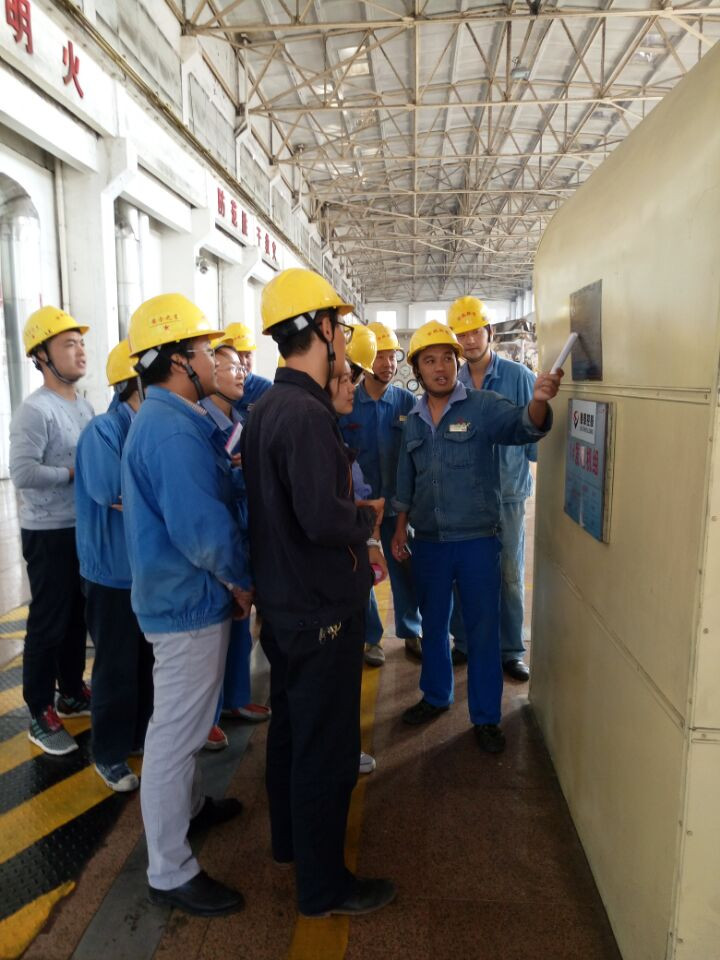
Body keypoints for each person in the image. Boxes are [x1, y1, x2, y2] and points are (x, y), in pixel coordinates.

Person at [242, 268, 396, 918]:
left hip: (285, 608)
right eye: (340, 327)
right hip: (319, 612)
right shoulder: (305, 415)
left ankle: (290, 846)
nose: (346, 342)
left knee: (291, 733)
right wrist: (366, 518)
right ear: (323, 329)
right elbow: (321, 520)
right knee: (326, 749)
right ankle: (324, 885)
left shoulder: (267, 410)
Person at [122, 293, 252, 917]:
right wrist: (242, 581)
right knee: (175, 736)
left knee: (185, 724)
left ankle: (192, 810)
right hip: (185, 603)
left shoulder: (173, 416)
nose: (212, 359)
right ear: (178, 360)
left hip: (181, 597)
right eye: (204, 349)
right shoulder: (171, 429)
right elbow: (202, 530)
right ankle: (169, 871)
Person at [391, 321, 561, 753]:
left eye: (447, 359)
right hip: (429, 542)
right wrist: (399, 527)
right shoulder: (413, 419)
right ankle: (436, 695)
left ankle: (486, 717)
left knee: (484, 630)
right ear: (417, 369)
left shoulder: (482, 407)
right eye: (430, 360)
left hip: (477, 541)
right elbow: (405, 478)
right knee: (434, 625)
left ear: (456, 363)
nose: (441, 368)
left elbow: (524, 427)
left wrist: (539, 402)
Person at [9, 307, 94, 756]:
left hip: (80, 526)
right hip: (48, 532)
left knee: (77, 615)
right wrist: (72, 474)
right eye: (68, 344)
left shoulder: (83, 404)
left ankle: (72, 692)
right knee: (49, 619)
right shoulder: (35, 411)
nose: (80, 351)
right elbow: (22, 472)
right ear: (41, 356)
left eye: (81, 343)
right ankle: (39, 709)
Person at [75, 339, 154, 790]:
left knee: (145, 661)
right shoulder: (102, 432)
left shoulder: (145, 427)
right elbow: (113, 493)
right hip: (111, 573)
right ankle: (107, 752)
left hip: (142, 569)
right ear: (133, 384)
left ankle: (138, 735)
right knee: (115, 665)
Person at [448, 296, 537, 682]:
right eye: (462, 334)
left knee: (509, 575)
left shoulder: (518, 377)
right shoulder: (454, 382)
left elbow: (534, 433)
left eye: (475, 331)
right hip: (466, 495)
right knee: (464, 573)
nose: (469, 340)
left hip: (509, 494)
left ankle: (510, 650)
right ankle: (464, 642)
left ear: (489, 332)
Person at [198, 338, 270, 751]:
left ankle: (236, 698)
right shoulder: (200, 423)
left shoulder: (240, 418)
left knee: (241, 621)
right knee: (213, 631)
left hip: (243, 530)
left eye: (243, 366)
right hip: (218, 535)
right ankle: (204, 717)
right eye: (231, 366)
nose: (242, 372)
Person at [339, 321, 421, 667]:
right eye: (381, 356)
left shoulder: (406, 401)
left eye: (392, 357)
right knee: (363, 572)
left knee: (405, 567)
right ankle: (371, 637)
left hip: (399, 505)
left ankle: (411, 630)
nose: (389, 364)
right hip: (360, 508)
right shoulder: (348, 402)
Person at [328, 350, 388, 777]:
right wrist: (367, 523)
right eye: (345, 379)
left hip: (345, 568)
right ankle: (337, 756)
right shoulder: (309, 430)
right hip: (329, 577)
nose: (353, 388)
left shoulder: (328, 429)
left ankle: (342, 748)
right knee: (331, 674)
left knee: (342, 670)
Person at [223, 321, 272, 420]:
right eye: (237, 355)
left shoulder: (265, 388)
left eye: (248, 355)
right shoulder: (216, 388)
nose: (243, 362)